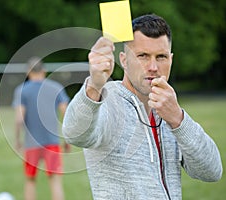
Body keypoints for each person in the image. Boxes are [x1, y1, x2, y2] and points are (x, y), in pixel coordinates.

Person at [62, 14, 223, 199]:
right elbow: (74, 133)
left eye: (161, 56)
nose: (153, 66)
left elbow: (212, 171)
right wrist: (94, 86)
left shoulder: (168, 109)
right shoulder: (107, 101)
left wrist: (178, 119)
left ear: (171, 59)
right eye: (143, 56)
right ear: (123, 60)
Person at [13, 57, 70, 200]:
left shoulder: (21, 90)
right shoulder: (55, 87)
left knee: (30, 181)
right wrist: (68, 138)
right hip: (52, 142)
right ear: (44, 71)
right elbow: (66, 114)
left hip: (31, 144)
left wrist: (17, 139)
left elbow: (19, 118)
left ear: (28, 72)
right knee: (55, 181)